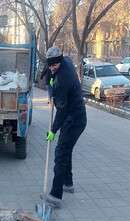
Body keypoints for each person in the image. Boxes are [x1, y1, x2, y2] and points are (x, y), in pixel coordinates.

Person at [44, 47, 87, 208]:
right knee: (66, 150)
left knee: (60, 153)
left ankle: (55, 195)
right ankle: (68, 183)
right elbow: (48, 72)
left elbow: (61, 112)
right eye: (50, 65)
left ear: (60, 61)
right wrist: (50, 89)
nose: (52, 67)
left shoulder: (64, 80)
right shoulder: (64, 60)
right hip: (73, 117)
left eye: (54, 65)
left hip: (74, 120)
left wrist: (53, 131)